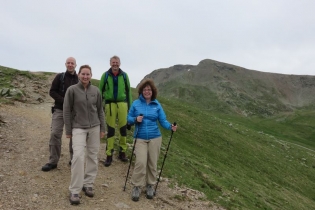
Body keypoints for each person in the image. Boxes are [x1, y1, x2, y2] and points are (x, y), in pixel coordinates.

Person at [127, 78, 177, 201]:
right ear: (141, 91)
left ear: (152, 91)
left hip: (155, 137)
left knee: (152, 163)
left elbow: (163, 121)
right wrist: (135, 119)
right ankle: (137, 186)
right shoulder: (136, 103)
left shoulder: (157, 104)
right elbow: (128, 118)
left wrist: (170, 126)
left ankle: (150, 185)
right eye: (145, 89)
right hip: (140, 137)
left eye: (149, 89)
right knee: (140, 162)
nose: (147, 91)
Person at [63, 65, 105, 205]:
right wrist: (68, 131)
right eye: (83, 74)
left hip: (94, 127)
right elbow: (67, 111)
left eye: (88, 74)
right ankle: (75, 190)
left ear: (91, 75)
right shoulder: (72, 90)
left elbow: (100, 111)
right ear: (79, 75)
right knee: (78, 156)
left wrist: (102, 128)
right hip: (78, 127)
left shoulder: (96, 91)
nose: (85, 76)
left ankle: (88, 183)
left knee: (93, 155)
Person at [41, 57, 79, 172]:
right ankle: (53, 161)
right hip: (59, 109)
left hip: (75, 112)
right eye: (68, 63)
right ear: (65, 64)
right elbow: (52, 91)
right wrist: (64, 101)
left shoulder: (80, 79)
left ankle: (74, 160)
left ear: (75, 65)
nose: (70, 65)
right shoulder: (59, 77)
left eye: (72, 63)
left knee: (75, 136)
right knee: (55, 133)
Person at [99, 55, 132, 167]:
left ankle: (122, 152)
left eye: (117, 62)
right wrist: (99, 106)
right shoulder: (105, 75)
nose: (115, 64)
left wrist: (130, 108)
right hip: (110, 105)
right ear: (110, 63)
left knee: (123, 129)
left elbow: (128, 92)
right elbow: (100, 92)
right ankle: (109, 154)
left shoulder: (124, 75)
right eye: (113, 62)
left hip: (122, 104)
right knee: (111, 130)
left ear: (120, 63)